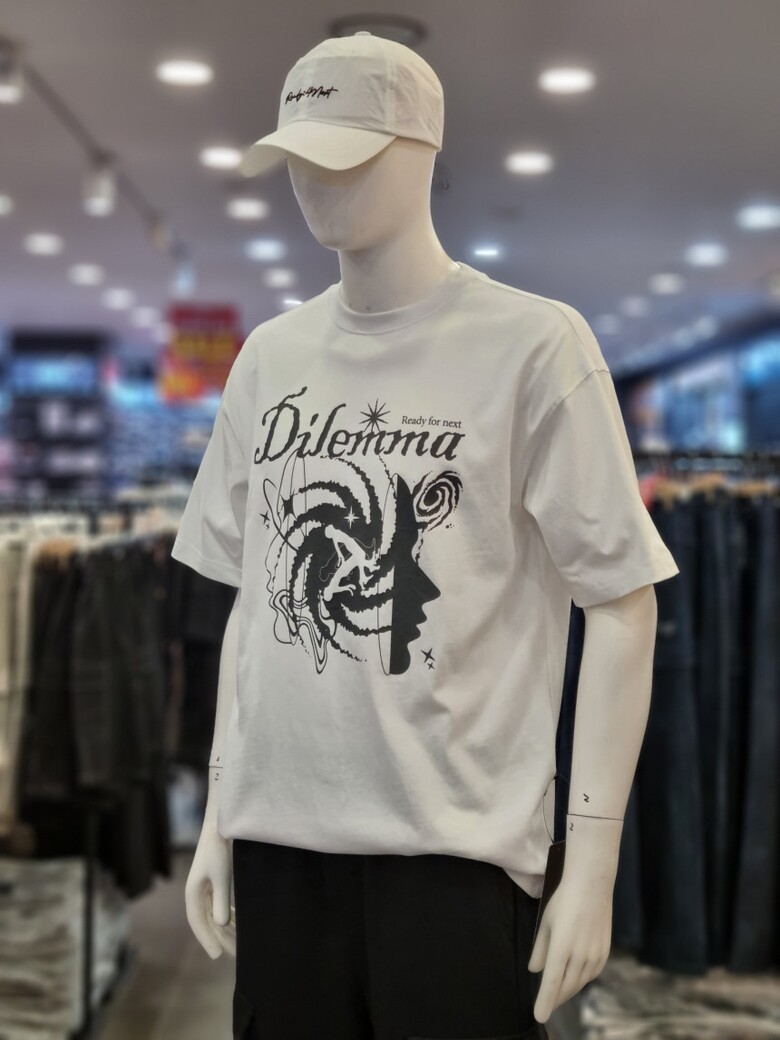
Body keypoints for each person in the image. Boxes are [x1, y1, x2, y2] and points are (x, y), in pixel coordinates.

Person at [171, 32, 679, 1040]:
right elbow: (250, 602)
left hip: (457, 857)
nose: (315, 183)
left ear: (421, 150)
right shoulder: (269, 356)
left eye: (345, 155)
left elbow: (623, 601)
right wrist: (220, 809)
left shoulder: (534, 345)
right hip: (279, 847)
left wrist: (593, 860)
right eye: (300, 158)